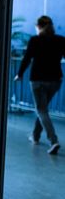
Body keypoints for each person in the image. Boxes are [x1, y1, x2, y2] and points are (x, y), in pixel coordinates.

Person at [14, 15, 65, 155]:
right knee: (42, 109)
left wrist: (19, 74)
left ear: (39, 27)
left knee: (42, 110)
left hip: (38, 80)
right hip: (55, 81)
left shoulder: (35, 40)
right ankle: (35, 136)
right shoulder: (60, 40)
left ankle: (53, 141)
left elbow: (27, 58)